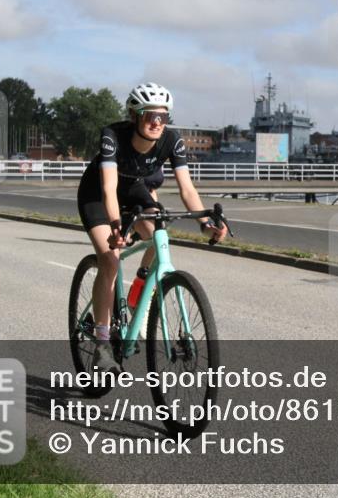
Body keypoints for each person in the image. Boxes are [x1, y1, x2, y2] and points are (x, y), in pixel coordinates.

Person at [76, 82, 227, 372]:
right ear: (134, 116)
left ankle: (137, 297)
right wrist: (116, 226)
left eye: (163, 116)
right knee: (110, 260)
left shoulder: (172, 140)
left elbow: (187, 189)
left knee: (160, 238)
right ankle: (102, 345)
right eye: (150, 116)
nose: (157, 122)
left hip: (134, 189)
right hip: (97, 194)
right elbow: (108, 188)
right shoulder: (112, 136)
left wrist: (206, 224)